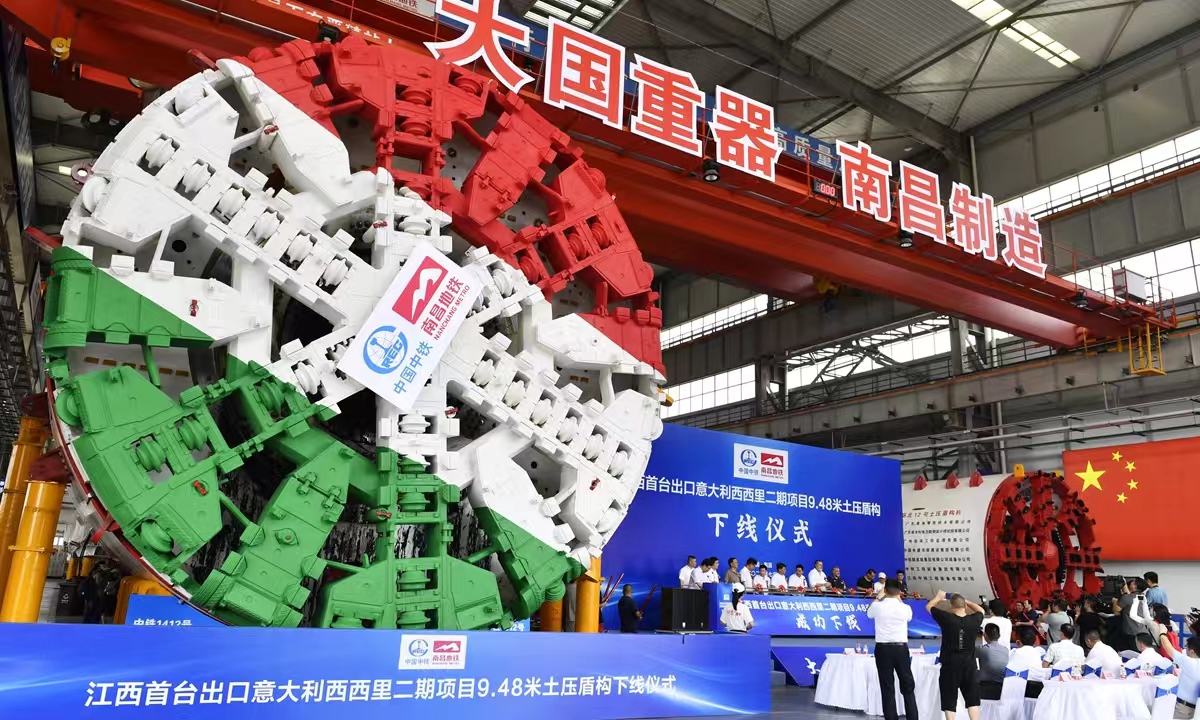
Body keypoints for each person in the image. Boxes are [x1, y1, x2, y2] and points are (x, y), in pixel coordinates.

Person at [927, 590, 985, 720]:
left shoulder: (946, 618)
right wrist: (965, 600)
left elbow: (929, 606)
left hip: (950, 665)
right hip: (969, 665)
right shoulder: (974, 619)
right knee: (973, 699)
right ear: (965, 606)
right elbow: (981, 610)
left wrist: (938, 597)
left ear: (951, 606)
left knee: (949, 698)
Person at [868, 578, 918, 720]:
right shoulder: (905, 608)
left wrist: (878, 597)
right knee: (908, 686)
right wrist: (898, 598)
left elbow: (869, 613)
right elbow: (909, 617)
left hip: (883, 649)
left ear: (884, 590)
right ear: (899, 592)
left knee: (887, 687)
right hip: (901, 649)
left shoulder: (878, 606)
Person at [1162, 636, 1200, 719]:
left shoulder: (1192, 663)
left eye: (1186, 648)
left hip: (1183, 710)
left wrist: (1162, 633)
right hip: (1196, 711)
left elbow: (1168, 648)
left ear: (1192, 652)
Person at [977, 623, 1010, 698]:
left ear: (985, 635)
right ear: (999, 635)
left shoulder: (984, 649)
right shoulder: (1006, 650)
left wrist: (976, 636)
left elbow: (969, 651)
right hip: (1002, 687)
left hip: (985, 686)